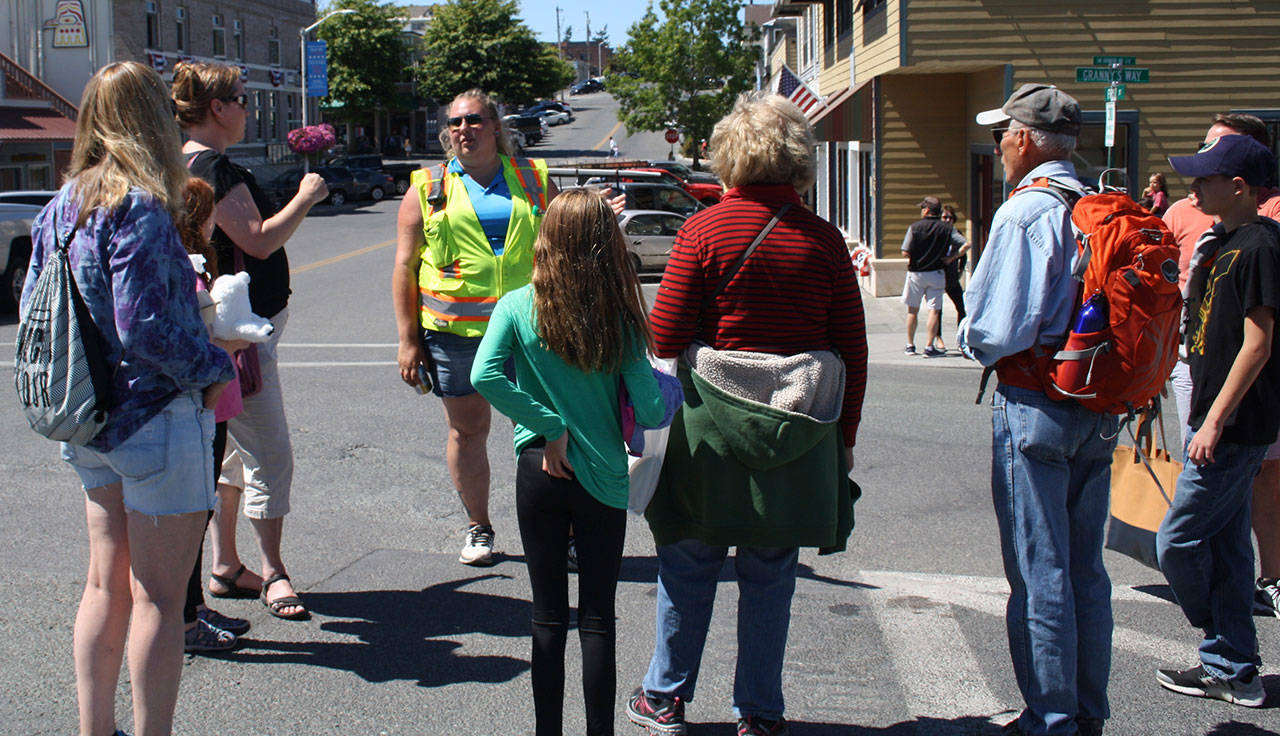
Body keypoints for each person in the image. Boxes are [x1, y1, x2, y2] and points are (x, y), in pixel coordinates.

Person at [626, 92, 867, 736]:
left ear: (730, 155)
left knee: (687, 562)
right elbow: (851, 347)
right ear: (797, 159)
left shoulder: (702, 230)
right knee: (770, 575)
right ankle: (759, 712)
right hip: (799, 429)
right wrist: (844, 437)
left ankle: (666, 697)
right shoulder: (823, 240)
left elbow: (665, 334)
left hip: (709, 430)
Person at [22, 61, 235, 736]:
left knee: (103, 586)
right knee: (159, 599)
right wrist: (215, 363)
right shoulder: (138, 204)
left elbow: (36, 309)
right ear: (151, 119)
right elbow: (142, 326)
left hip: (86, 419)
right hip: (153, 419)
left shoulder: (60, 205)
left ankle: (94, 729)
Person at [394, 89, 623, 566]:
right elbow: (404, 265)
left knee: (548, 430)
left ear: (495, 125)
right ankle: (479, 527)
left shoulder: (534, 178)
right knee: (468, 431)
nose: (464, 130)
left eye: (474, 120)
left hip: (532, 328)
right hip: (457, 334)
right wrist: (408, 339)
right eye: (455, 123)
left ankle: (567, 532)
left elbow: (567, 235)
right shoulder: (427, 187)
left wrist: (597, 215)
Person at [472, 189, 667, 736]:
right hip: (602, 475)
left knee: (547, 616)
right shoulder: (620, 316)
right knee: (598, 617)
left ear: (548, 237)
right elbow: (650, 407)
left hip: (539, 467)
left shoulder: (515, 304)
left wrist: (549, 425)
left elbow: (483, 376)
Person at [961, 83, 1117, 736]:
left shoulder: (1025, 213)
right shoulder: (1099, 204)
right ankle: (1086, 710)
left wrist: (967, 330)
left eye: (1003, 135)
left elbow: (999, 330)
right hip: (1099, 403)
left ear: (1024, 139)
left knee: (1039, 571)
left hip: (1035, 406)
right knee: (1086, 569)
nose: (998, 146)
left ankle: (1049, 718)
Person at [172, 60, 328, 619]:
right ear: (217, 108)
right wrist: (307, 194)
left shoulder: (179, 160)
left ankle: (224, 564)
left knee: (231, 454)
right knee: (270, 452)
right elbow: (259, 240)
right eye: (240, 98)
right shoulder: (212, 167)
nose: (246, 106)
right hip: (240, 336)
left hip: (222, 327)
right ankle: (274, 572)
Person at [1155, 134, 1280, 709]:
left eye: (1205, 179)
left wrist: (1214, 422)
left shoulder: (1259, 245)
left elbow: (1257, 345)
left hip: (1231, 429)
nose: (1192, 186)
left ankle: (1214, 631)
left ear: (1240, 188)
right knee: (1229, 551)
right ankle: (1234, 669)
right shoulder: (1221, 241)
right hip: (1213, 419)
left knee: (1177, 542)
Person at [175, 177, 252, 653]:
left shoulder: (200, 264)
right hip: (202, 406)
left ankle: (195, 604)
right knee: (192, 514)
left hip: (216, 405)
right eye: (209, 211)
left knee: (201, 511)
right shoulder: (186, 268)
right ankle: (185, 618)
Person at [901, 195, 961, 356]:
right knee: (933, 311)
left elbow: (905, 251)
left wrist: (916, 254)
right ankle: (929, 346)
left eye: (922, 208)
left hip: (916, 273)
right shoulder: (947, 228)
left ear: (927, 210)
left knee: (912, 310)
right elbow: (965, 243)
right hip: (936, 272)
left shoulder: (915, 227)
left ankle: (910, 345)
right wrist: (952, 257)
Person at [937, 204, 970, 350]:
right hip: (937, 275)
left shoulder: (957, 234)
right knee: (937, 309)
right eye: (944, 217)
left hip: (951, 277)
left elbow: (964, 253)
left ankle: (961, 337)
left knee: (961, 307)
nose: (947, 220)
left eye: (950, 217)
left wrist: (958, 266)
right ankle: (938, 338)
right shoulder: (936, 234)